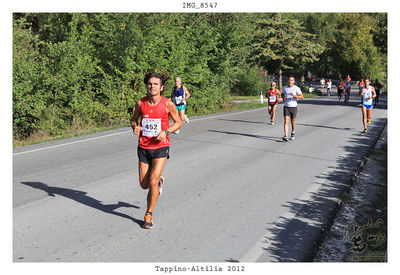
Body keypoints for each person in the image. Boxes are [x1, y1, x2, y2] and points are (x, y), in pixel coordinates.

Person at [131, 72, 182, 229]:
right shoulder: (141, 103)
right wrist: (135, 126)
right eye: (150, 84)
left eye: (155, 84)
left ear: (161, 87)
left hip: (161, 146)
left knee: (152, 181)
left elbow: (178, 122)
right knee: (144, 184)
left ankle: (148, 215)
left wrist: (166, 132)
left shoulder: (168, 104)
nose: (152, 86)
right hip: (144, 146)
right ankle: (160, 182)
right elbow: (134, 119)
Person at [281, 76, 304, 141]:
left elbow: (302, 97)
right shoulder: (285, 88)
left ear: (294, 81)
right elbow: (282, 94)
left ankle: (293, 132)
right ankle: (286, 136)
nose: (290, 81)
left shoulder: (296, 88)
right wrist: (283, 97)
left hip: (293, 107)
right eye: (289, 80)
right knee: (286, 121)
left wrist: (295, 96)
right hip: (286, 107)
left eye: (291, 80)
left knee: (293, 121)